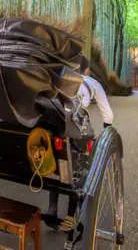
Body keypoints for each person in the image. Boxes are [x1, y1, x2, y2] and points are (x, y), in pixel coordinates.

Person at [46, 67, 113, 231]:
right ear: (87, 70)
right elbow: (108, 115)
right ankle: (70, 215)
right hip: (75, 121)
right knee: (79, 165)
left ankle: (52, 209)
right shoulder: (93, 83)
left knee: (57, 160)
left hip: (54, 116)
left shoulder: (59, 73)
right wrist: (104, 131)